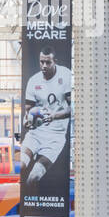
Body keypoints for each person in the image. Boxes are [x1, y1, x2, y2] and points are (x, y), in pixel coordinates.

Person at [21, 48, 72, 192]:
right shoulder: (34, 80)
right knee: (22, 163)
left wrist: (54, 116)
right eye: (41, 62)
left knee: (34, 176)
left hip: (56, 136)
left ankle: (32, 199)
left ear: (55, 61)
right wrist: (27, 121)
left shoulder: (66, 75)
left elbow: (72, 108)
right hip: (36, 133)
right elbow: (28, 110)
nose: (44, 65)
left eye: (47, 62)